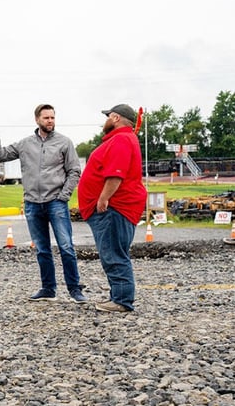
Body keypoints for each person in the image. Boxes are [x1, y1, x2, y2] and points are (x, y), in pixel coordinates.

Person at [0, 104, 86, 303]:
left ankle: (75, 289)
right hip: (33, 204)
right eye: (46, 118)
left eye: (52, 117)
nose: (50, 121)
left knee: (66, 246)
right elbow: (1, 156)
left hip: (56, 202)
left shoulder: (64, 142)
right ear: (37, 120)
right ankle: (48, 289)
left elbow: (75, 171)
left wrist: (64, 195)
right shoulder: (25, 144)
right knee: (42, 249)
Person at [78, 104, 147, 313]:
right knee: (114, 253)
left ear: (116, 118)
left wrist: (103, 198)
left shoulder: (121, 139)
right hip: (117, 208)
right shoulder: (124, 139)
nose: (105, 120)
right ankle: (118, 295)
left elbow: (116, 173)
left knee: (113, 254)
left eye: (108, 116)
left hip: (114, 208)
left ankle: (121, 300)